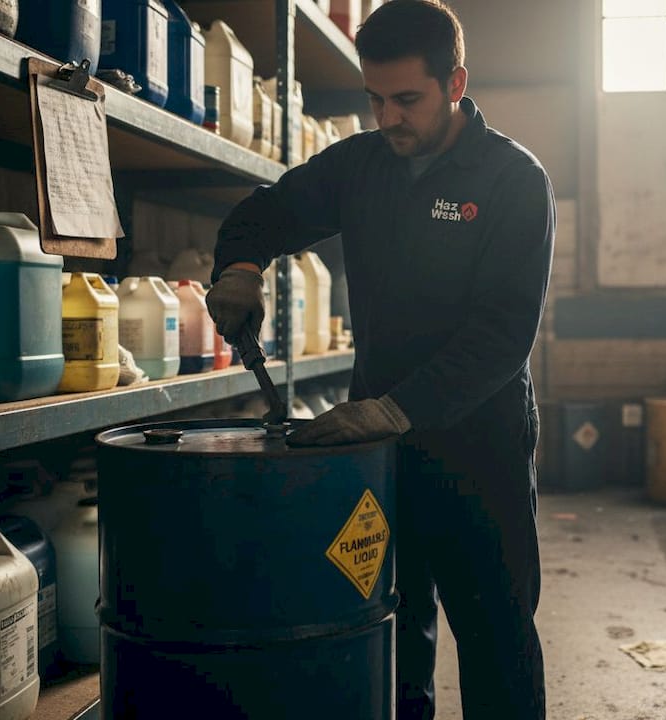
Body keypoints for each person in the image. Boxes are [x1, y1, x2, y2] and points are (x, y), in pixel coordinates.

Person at [205, 2, 553, 717]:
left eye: (407, 100)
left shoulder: (513, 181)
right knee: (389, 633)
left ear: (455, 82)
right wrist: (239, 266)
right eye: (374, 99)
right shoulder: (361, 167)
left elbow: (501, 335)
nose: (387, 118)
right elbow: (263, 212)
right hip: (373, 452)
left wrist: (401, 408)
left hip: (477, 447)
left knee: (496, 636)